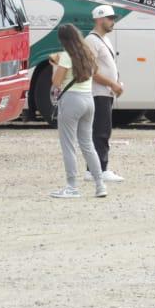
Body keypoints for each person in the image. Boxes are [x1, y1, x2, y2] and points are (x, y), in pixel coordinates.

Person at [48, 23, 106, 199]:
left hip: (71, 101)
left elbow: (56, 83)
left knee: (68, 145)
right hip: (89, 100)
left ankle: (72, 187)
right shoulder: (87, 54)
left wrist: (54, 64)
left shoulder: (66, 57)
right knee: (87, 145)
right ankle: (100, 185)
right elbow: (94, 72)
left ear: (63, 40)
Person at [85, 5, 126, 184]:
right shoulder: (92, 41)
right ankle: (99, 169)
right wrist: (112, 84)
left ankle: (95, 169)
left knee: (102, 130)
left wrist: (116, 84)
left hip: (106, 92)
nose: (113, 22)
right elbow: (90, 71)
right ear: (100, 19)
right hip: (98, 92)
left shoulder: (104, 40)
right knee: (100, 132)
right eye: (110, 18)